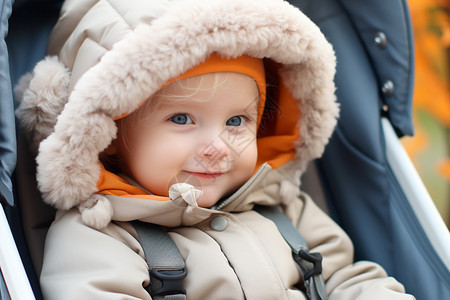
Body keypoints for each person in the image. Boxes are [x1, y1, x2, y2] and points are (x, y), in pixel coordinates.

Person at [15, 0, 415, 299]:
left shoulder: (283, 207)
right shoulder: (99, 238)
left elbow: (346, 278)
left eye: (236, 121)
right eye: (182, 119)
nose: (217, 147)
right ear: (110, 134)